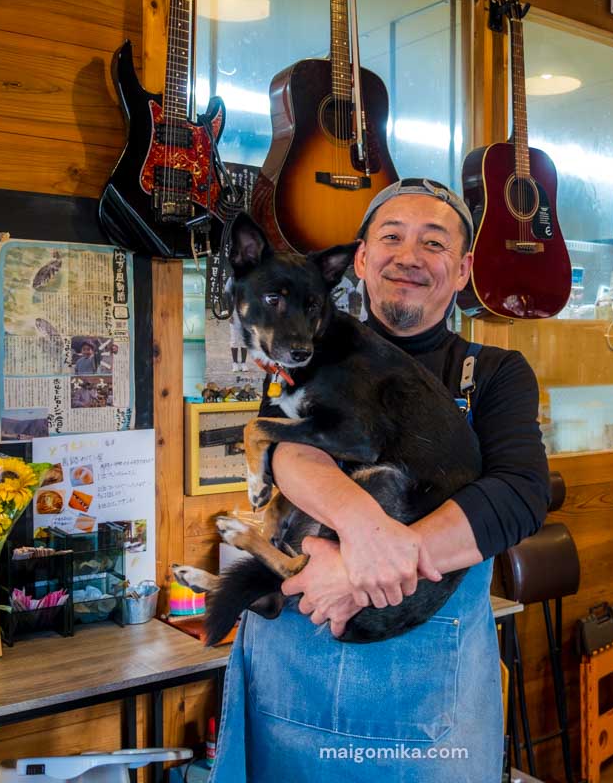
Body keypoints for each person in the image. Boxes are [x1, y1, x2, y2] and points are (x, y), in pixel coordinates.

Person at [209, 179, 550, 782]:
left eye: (434, 242)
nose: (409, 256)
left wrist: (367, 567)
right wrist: (364, 523)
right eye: (390, 237)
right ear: (361, 260)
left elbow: (519, 497)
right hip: (294, 655)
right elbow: (288, 455)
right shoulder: (300, 350)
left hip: (425, 678)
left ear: (464, 268)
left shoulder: (493, 374)